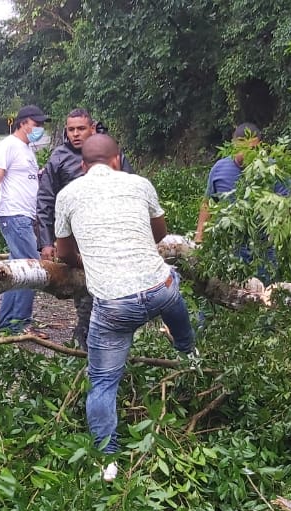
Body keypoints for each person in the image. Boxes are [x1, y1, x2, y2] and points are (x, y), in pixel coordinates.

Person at [55, 134, 196, 469]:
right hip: (158, 290)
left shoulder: (67, 194)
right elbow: (160, 235)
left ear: (82, 166)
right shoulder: (140, 183)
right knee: (171, 284)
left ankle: (108, 462)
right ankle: (189, 351)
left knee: (103, 383)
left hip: (115, 306)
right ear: (118, 159)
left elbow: (62, 253)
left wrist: (88, 261)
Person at [36, 109, 134, 349]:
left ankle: (115, 344)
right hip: (77, 241)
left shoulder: (111, 152)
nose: (76, 134)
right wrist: (46, 242)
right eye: (71, 129)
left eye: (81, 128)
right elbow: (45, 201)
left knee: (116, 294)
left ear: (92, 128)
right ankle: (86, 347)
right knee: (86, 296)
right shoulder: (58, 158)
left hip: (112, 236)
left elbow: (129, 190)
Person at [0, 104, 48, 336]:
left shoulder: (27, 149)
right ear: (23, 123)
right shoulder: (8, 146)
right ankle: (20, 324)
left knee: (16, 272)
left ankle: (7, 323)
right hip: (14, 215)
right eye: (36, 124)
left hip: (25, 217)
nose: (40, 128)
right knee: (32, 269)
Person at [194, 122, 291, 283]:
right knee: (224, 295)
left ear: (260, 146)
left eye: (252, 150)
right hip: (228, 251)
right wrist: (199, 237)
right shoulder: (219, 169)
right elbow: (208, 204)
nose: (246, 155)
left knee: (266, 296)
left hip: (262, 251)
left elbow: (287, 205)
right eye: (242, 149)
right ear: (233, 144)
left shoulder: (272, 170)